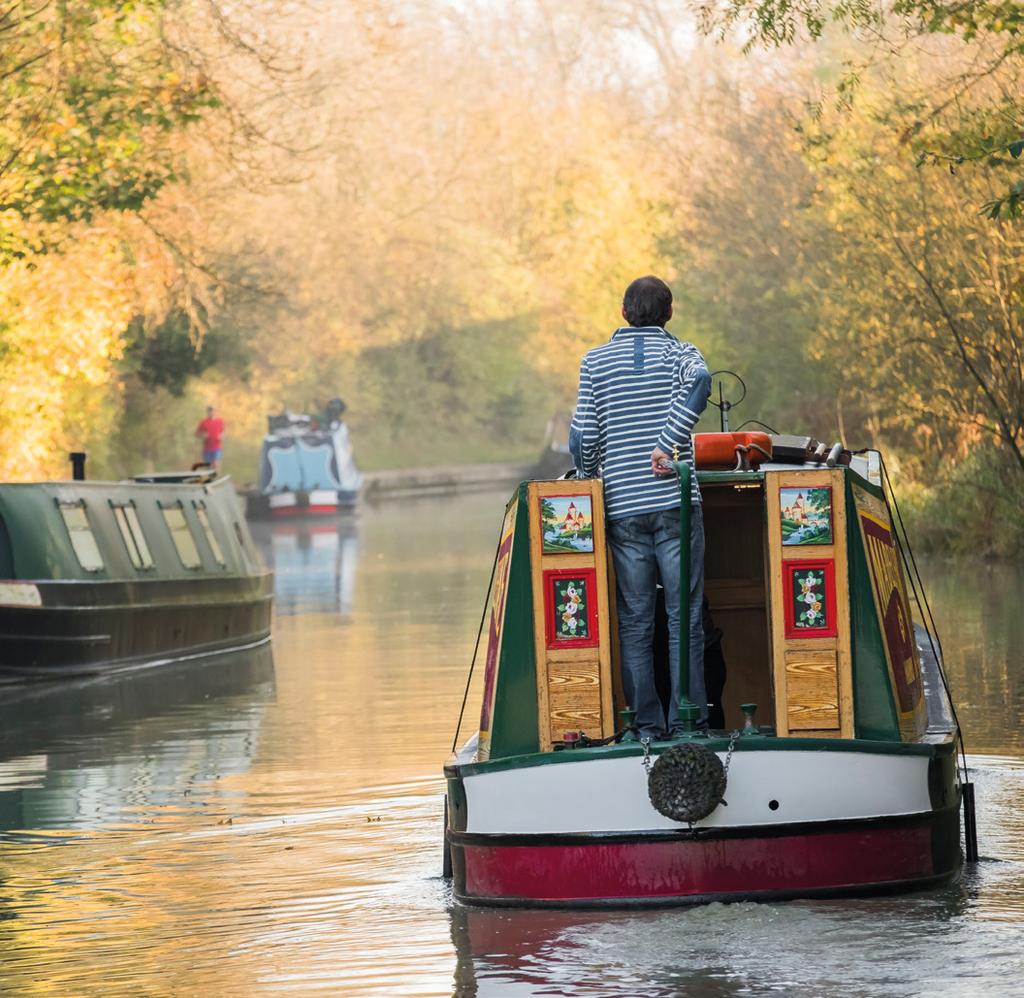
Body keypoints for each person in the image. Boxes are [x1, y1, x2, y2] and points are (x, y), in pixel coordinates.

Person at [569, 275, 711, 739]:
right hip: (675, 503)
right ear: (669, 313)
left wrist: (590, 476)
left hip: (623, 508)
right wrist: (669, 444)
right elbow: (702, 382)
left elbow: (583, 436)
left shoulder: (595, 362)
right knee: (682, 616)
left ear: (623, 312)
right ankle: (688, 720)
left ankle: (646, 727)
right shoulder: (681, 354)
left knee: (635, 620)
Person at [195, 405, 225, 470]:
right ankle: (209, 479)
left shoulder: (220, 421)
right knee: (208, 465)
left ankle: (216, 477)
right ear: (207, 412)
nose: (211, 413)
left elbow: (223, 432)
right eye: (209, 411)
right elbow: (197, 434)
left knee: (216, 463)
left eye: (212, 411)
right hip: (207, 448)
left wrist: (221, 436)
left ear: (215, 412)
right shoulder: (203, 422)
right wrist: (202, 435)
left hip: (217, 447)